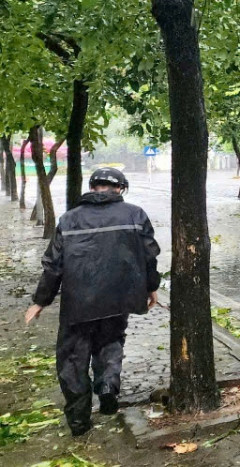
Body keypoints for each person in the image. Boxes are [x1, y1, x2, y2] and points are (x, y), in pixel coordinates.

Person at [25, 168, 159, 437]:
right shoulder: (135, 214)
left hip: (79, 305)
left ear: (92, 187)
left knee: (73, 359)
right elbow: (149, 257)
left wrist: (40, 301)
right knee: (110, 343)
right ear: (120, 189)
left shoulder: (70, 219)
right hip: (119, 300)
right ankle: (108, 384)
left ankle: (79, 421)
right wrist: (151, 287)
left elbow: (53, 266)